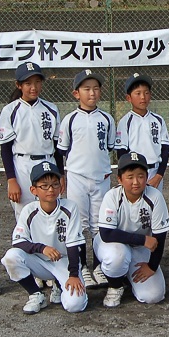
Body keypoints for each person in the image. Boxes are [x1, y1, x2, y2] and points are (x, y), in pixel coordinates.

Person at [0, 161, 88, 315]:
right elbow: (19, 241)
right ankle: (35, 294)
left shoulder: (70, 207)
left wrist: (74, 275)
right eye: (44, 186)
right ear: (33, 190)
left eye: (55, 184)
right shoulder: (28, 210)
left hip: (64, 261)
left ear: (61, 186)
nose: (51, 189)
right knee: (11, 257)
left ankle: (59, 286)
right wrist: (42, 248)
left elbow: (75, 245)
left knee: (75, 305)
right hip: (39, 261)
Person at [57, 68, 115, 289]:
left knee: (100, 224)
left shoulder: (107, 119)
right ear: (76, 94)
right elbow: (62, 150)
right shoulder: (70, 119)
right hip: (77, 177)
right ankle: (81, 266)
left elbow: (110, 148)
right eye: (87, 89)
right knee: (79, 224)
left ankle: (99, 266)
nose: (92, 93)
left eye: (96, 89)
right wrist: (63, 175)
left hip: (101, 177)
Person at [95, 152, 169, 307]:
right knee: (118, 256)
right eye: (130, 177)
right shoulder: (112, 196)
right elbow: (107, 233)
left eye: (141, 176)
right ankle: (115, 285)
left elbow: (160, 236)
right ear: (120, 179)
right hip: (113, 244)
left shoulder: (154, 196)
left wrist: (152, 266)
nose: (136, 182)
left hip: (140, 248)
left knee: (153, 296)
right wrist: (142, 239)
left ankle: (126, 275)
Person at [0, 61, 61, 219]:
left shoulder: (51, 109)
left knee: (52, 213)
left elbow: (57, 145)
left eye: (37, 82)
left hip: (48, 162)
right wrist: (11, 180)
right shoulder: (10, 110)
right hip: (22, 165)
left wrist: (61, 174)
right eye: (28, 83)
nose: (34, 87)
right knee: (24, 214)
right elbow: (5, 149)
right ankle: (25, 244)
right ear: (18, 85)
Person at [113, 71, 169, 190]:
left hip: (154, 171)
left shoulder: (158, 120)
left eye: (146, 93)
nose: (143, 97)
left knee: (154, 205)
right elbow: (121, 152)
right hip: (135, 172)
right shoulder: (125, 121)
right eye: (138, 93)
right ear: (129, 97)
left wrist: (159, 175)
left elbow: (165, 149)